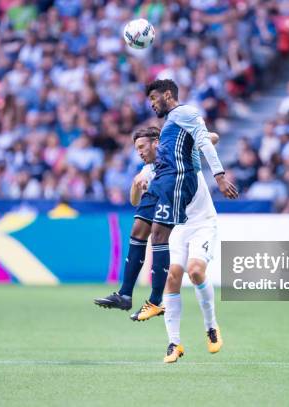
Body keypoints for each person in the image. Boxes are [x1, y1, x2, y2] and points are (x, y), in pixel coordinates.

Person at [94, 79, 237, 321]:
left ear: (168, 95)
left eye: (153, 98)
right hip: (163, 179)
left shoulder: (186, 113)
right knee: (139, 228)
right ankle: (125, 294)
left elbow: (206, 139)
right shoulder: (171, 127)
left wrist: (220, 177)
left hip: (179, 180)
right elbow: (208, 137)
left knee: (159, 234)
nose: (150, 104)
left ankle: (155, 300)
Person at [128, 126, 223, 363]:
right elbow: (134, 201)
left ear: (156, 143)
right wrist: (136, 182)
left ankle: (211, 326)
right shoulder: (149, 170)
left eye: (141, 147)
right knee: (173, 276)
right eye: (136, 149)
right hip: (178, 225)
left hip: (202, 223)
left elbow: (215, 137)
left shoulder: (181, 151)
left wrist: (202, 139)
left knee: (196, 271)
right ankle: (174, 343)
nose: (139, 152)